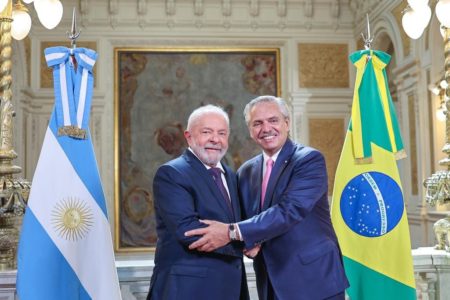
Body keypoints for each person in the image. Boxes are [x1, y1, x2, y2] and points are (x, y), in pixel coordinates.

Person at [185, 96, 349, 300]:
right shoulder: (246, 172)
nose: (266, 128)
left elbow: (290, 210)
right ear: (251, 131)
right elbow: (246, 218)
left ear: (287, 123)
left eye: (273, 120)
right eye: (257, 123)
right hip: (270, 281)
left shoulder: (308, 160)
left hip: (314, 280)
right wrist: (246, 243)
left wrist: (231, 232)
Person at [147, 105, 249, 300]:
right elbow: (190, 233)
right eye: (206, 132)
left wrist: (241, 233)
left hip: (231, 289)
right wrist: (243, 238)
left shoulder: (230, 175)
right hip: (187, 290)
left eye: (222, 133)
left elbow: (238, 222)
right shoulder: (172, 173)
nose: (215, 139)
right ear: (189, 136)